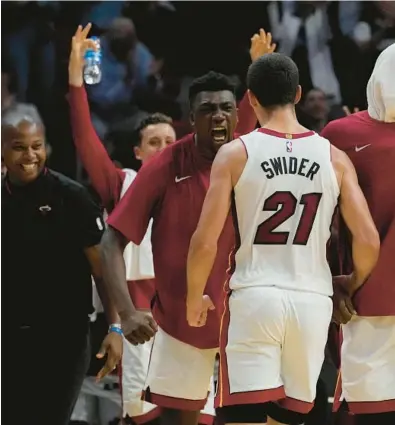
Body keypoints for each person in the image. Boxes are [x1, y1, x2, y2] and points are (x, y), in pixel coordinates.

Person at [72, 24, 273, 425]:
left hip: (245, 316)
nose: (218, 117)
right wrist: (124, 315)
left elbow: (253, 108)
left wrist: (262, 67)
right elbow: (109, 240)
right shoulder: (152, 172)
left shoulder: (250, 149)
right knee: (159, 417)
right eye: (206, 110)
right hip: (171, 321)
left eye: (226, 110)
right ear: (190, 119)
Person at [185, 53, 380, 425]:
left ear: (251, 98)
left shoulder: (235, 154)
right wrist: (350, 283)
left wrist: (195, 295)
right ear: (299, 94)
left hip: (255, 296)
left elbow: (204, 241)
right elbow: (368, 239)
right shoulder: (334, 157)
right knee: (288, 420)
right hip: (312, 302)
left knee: (245, 418)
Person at [2, 103, 123, 425]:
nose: (29, 155)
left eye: (36, 146)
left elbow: (103, 269)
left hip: (64, 337)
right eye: (18, 147)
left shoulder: (72, 197)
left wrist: (115, 327)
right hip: (10, 336)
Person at [321, 43, 395, 425]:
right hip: (365, 304)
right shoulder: (341, 134)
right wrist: (328, 285)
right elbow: (317, 222)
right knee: (371, 414)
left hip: (367, 294)